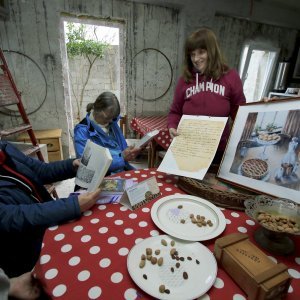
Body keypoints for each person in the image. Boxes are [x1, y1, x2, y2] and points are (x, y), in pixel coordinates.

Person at [0, 141, 101, 278]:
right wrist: (73, 205)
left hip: (50, 225)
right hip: (27, 254)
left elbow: (40, 170)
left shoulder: (4, 149)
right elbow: (14, 217)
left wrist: (71, 165)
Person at [168, 27, 246, 163]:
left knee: (211, 185)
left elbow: (240, 114)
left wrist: (262, 108)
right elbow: (175, 111)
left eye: (201, 52)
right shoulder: (184, 80)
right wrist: (172, 126)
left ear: (212, 51)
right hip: (187, 149)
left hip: (217, 151)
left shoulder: (231, 77)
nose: (196, 59)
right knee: (184, 184)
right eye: (192, 54)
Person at [74, 91, 140, 175]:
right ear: (97, 110)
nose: (110, 121)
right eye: (107, 117)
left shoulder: (112, 121)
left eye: (112, 118)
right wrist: (121, 158)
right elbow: (87, 166)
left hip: (121, 170)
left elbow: (123, 148)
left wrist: (130, 152)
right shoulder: (82, 131)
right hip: (101, 177)